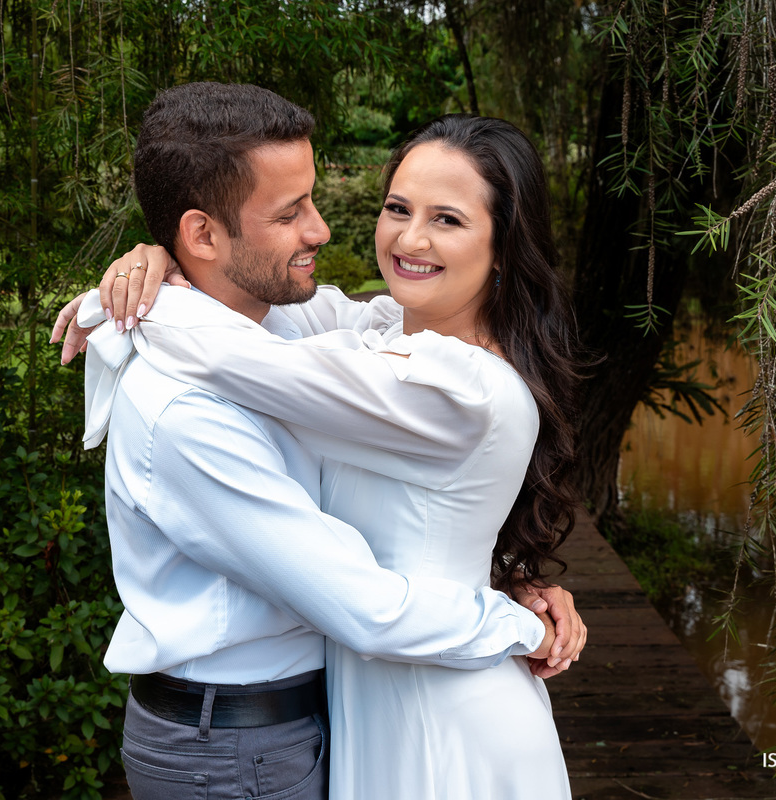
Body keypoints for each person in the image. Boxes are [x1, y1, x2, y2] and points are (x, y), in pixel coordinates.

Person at [51, 83, 585, 800]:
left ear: (504, 243)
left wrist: (134, 300)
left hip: (418, 714)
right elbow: (364, 602)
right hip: (248, 738)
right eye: (397, 209)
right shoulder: (199, 401)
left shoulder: (403, 367)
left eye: (448, 219)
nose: (324, 230)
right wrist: (512, 619)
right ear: (204, 234)